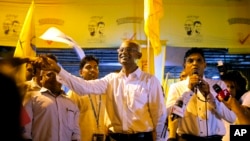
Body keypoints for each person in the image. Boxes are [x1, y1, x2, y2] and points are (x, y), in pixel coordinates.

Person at [34, 40, 167, 141]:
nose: (123, 53)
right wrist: (59, 70)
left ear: (138, 55)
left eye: (129, 50)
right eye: (120, 50)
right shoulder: (110, 80)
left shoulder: (149, 80)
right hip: (114, 138)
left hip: (142, 138)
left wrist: (160, 139)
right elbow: (84, 87)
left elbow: (159, 115)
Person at [166, 47, 236, 141]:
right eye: (190, 61)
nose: (195, 63)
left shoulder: (219, 85)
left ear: (205, 65)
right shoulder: (176, 87)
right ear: (184, 65)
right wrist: (189, 91)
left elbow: (231, 117)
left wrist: (209, 96)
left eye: (199, 60)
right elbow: (170, 116)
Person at [22, 56, 81, 141]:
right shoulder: (31, 99)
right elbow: (25, 131)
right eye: (49, 75)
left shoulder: (71, 103)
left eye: (58, 76)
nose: (55, 78)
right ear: (41, 79)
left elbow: (76, 133)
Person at [67, 55, 107, 141]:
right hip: (82, 138)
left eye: (95, 67)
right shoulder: (74, 92)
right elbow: (68, 120)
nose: (93, 70)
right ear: (81, 72)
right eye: (88, 67)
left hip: (104, 137)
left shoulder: (104, 91)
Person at [219, 70, 250, 141]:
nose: (228, 90)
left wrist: (233, 104)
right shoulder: (224, 104)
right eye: (226, 87)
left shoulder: (247, 96)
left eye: (232, 87)